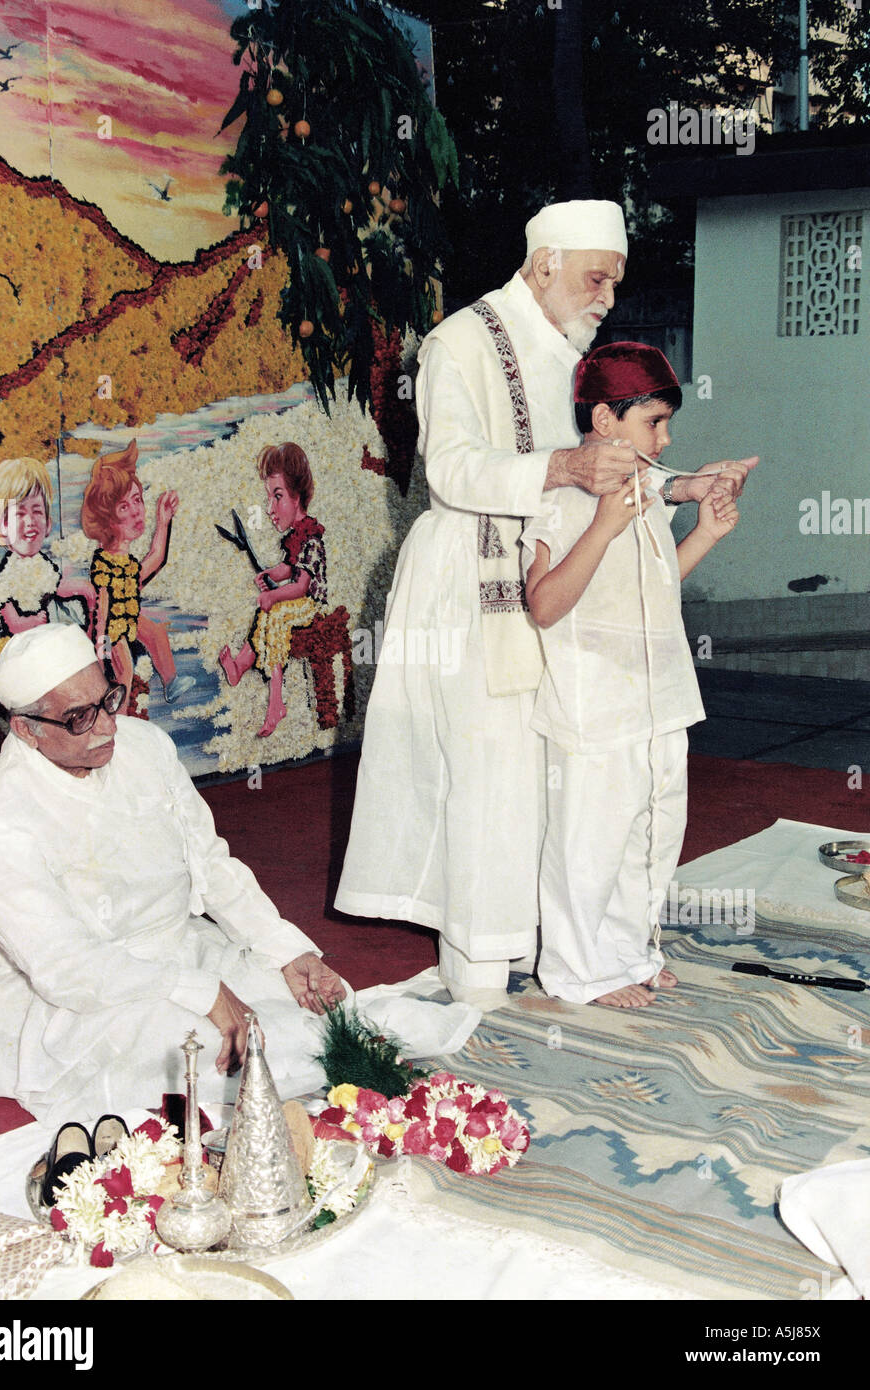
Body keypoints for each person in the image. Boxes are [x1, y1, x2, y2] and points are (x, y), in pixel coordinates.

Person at [334, 199, 756, 1009]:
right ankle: (479, 980)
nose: (606, 297)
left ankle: (566, 948)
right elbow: (454, 469)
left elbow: (614, 461)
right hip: (468, 580)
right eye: (596, 278)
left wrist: (687, 486)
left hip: (548, 577)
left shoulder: (571, 347)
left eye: (614, 282)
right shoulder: (460, 341)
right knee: (487, 777)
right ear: (544, 264)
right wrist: (561, 469)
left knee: (553, 780)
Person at [0, 623, 347, 1126]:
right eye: (78, 718)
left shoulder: (144, 745)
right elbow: (68, 969)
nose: (108, 728)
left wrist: (286, 949)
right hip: (80, 997)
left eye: (107, 700)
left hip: (180, 948)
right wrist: (203, 992)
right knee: (226, 1059)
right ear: (27, 729)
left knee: (325, 1011)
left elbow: (210, 862)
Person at [523, 342, 740, 1008]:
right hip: (594, 702)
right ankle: (575, 970)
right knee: (590, 843)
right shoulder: (561, 499)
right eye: (654, 422)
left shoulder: (645, 493)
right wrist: (605, 527)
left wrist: (705, 531)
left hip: (659, 695)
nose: (666, 437)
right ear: (603, 420)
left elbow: (654, 584)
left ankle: (627, 952)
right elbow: (544, 604)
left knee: (653, 830)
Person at [219, 443, 328, 738]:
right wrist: (270, 575)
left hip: (311, 604)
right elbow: (287, 569)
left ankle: (276, 701)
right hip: (297, 600)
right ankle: (241, 665)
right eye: (269, 497)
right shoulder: (294, 537)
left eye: (277, 496)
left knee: (275, 616)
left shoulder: (311, 537)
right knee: (266, 615)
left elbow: (302, 584)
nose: (270, 509)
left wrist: (273, 595)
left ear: (298, 496)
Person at [81, 439, 194, 707]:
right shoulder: (106, 563)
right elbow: (102, 607)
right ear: (107, 520)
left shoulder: (127, 562)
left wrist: (163, 521)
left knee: (156, 633)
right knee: (125, 672)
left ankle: (171, 682)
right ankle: (118, 719)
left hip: (130, 617)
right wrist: (102, 646)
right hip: (113, 629)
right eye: (124, 507)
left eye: (137, 500)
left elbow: (155, 560)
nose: (136, 512)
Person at [0, 456, 95, 637]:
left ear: (48, 523)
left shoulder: (42, 564)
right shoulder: (9, 574)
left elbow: (55, 587)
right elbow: (5, 609)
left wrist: (82, 590)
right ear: (2, 524)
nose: (30, 522)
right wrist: (28, 623)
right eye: (19, 513)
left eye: (37, 511)